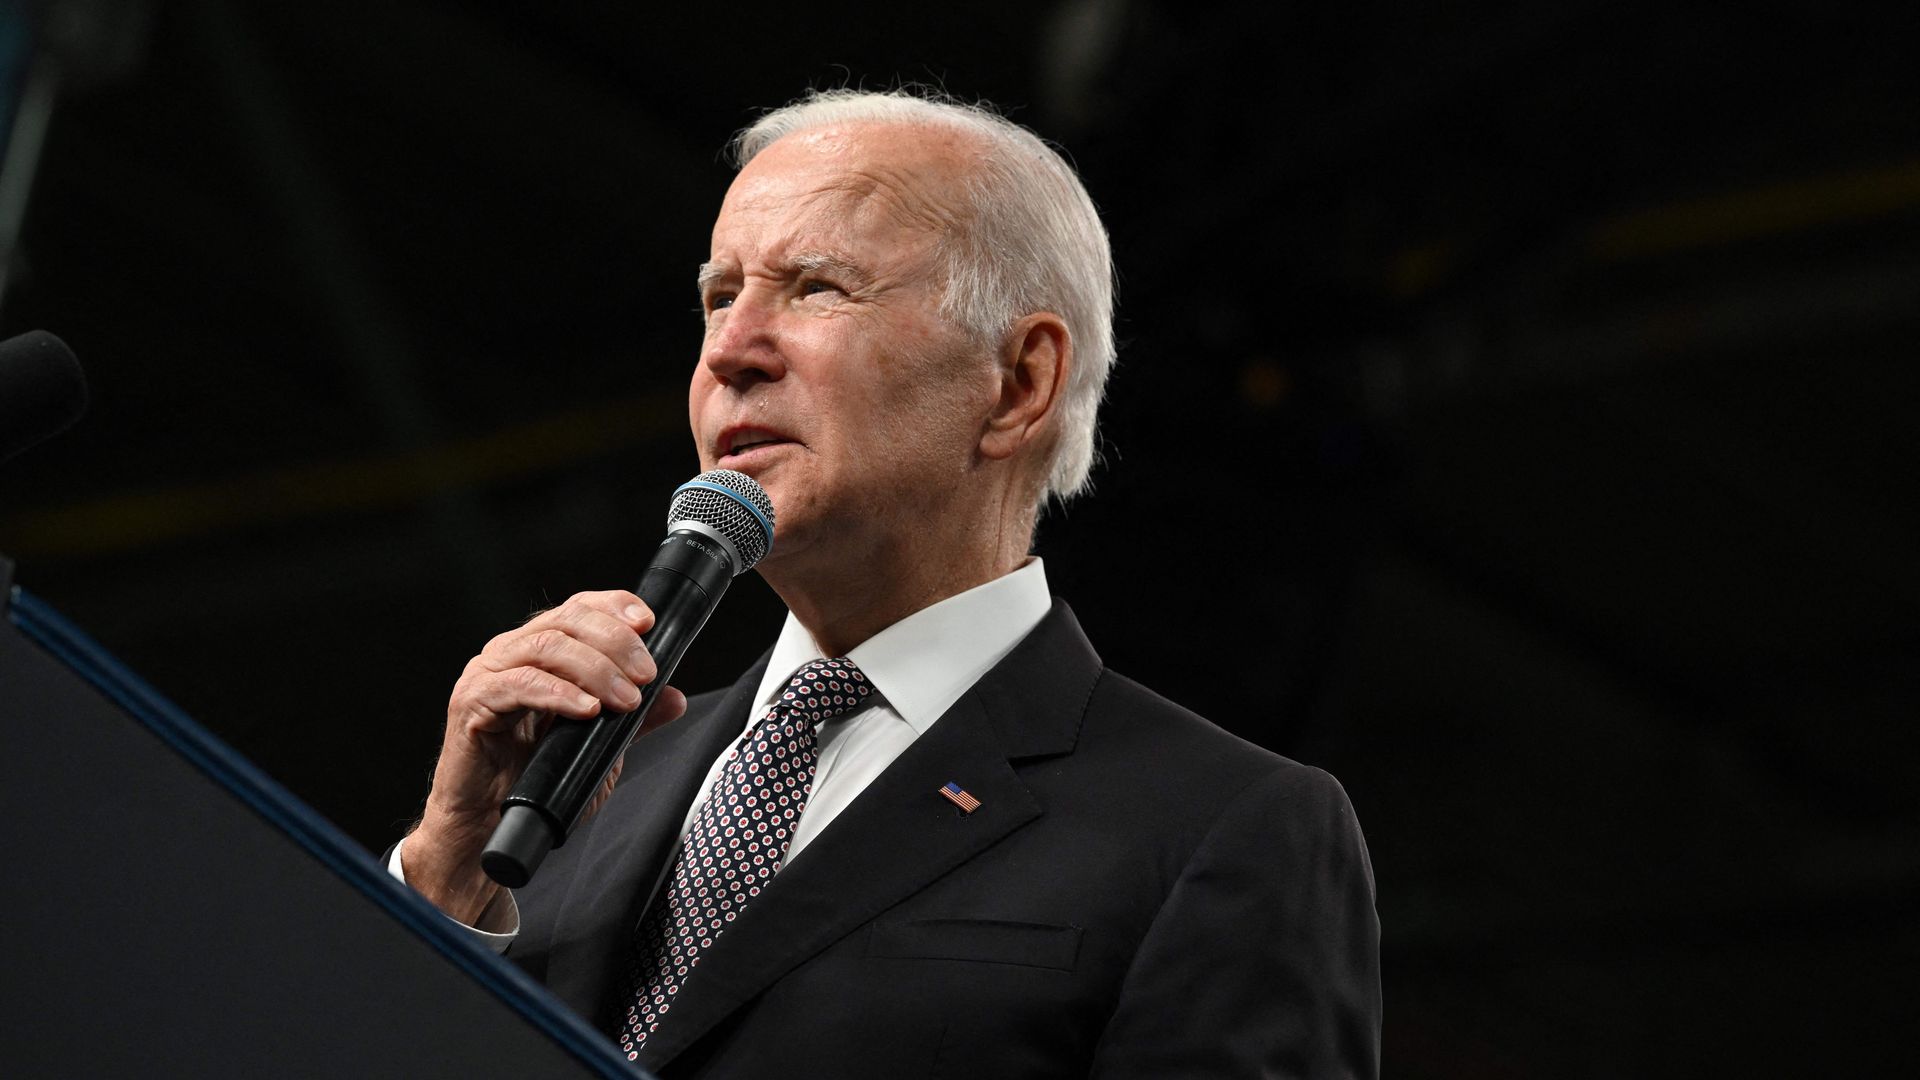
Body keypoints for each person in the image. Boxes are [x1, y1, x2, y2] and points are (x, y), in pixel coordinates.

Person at [395, 88, 1381, 1078]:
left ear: (1018, 383)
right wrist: (445, 876)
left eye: (817, 288)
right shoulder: (571, 794)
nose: (730, 351)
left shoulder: (1222, 826)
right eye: (721, 296)